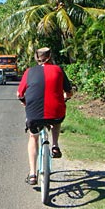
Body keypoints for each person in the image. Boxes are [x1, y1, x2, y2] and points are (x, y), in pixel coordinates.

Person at [17, 47, 73, 185]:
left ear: (36, 58)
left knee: (33, 137)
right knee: (57, 119)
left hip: (34, 114)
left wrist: (25, 103)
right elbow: (69, 92)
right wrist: (65, 98)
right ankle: (54, 145)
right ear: (50, 57)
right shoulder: (58, 70)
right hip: (56, 112)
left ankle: (32, 174)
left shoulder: (29, 72)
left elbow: (19, 94)